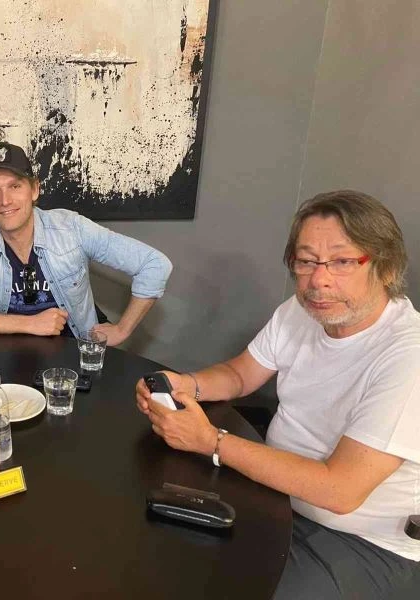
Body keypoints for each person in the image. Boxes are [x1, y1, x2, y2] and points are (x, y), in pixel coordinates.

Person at [136, 190, 420, 598]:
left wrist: (211, 441)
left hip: (364, 541)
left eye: (342, 261)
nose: (319, 281)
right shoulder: (303, 311)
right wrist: (189, 384)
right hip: (275, 497)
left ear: (386, 268)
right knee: (163, 554)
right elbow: (239, 375)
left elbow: (340, 491)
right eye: (306, 261)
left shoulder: (408, 356)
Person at [0, 141, 172, 345]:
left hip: (73, 359)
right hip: (5, 360)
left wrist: (122, 330)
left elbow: (155, 264)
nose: (5, 200)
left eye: (15, 186)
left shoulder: (72, 228)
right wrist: (30, 324)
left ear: (34, 189)